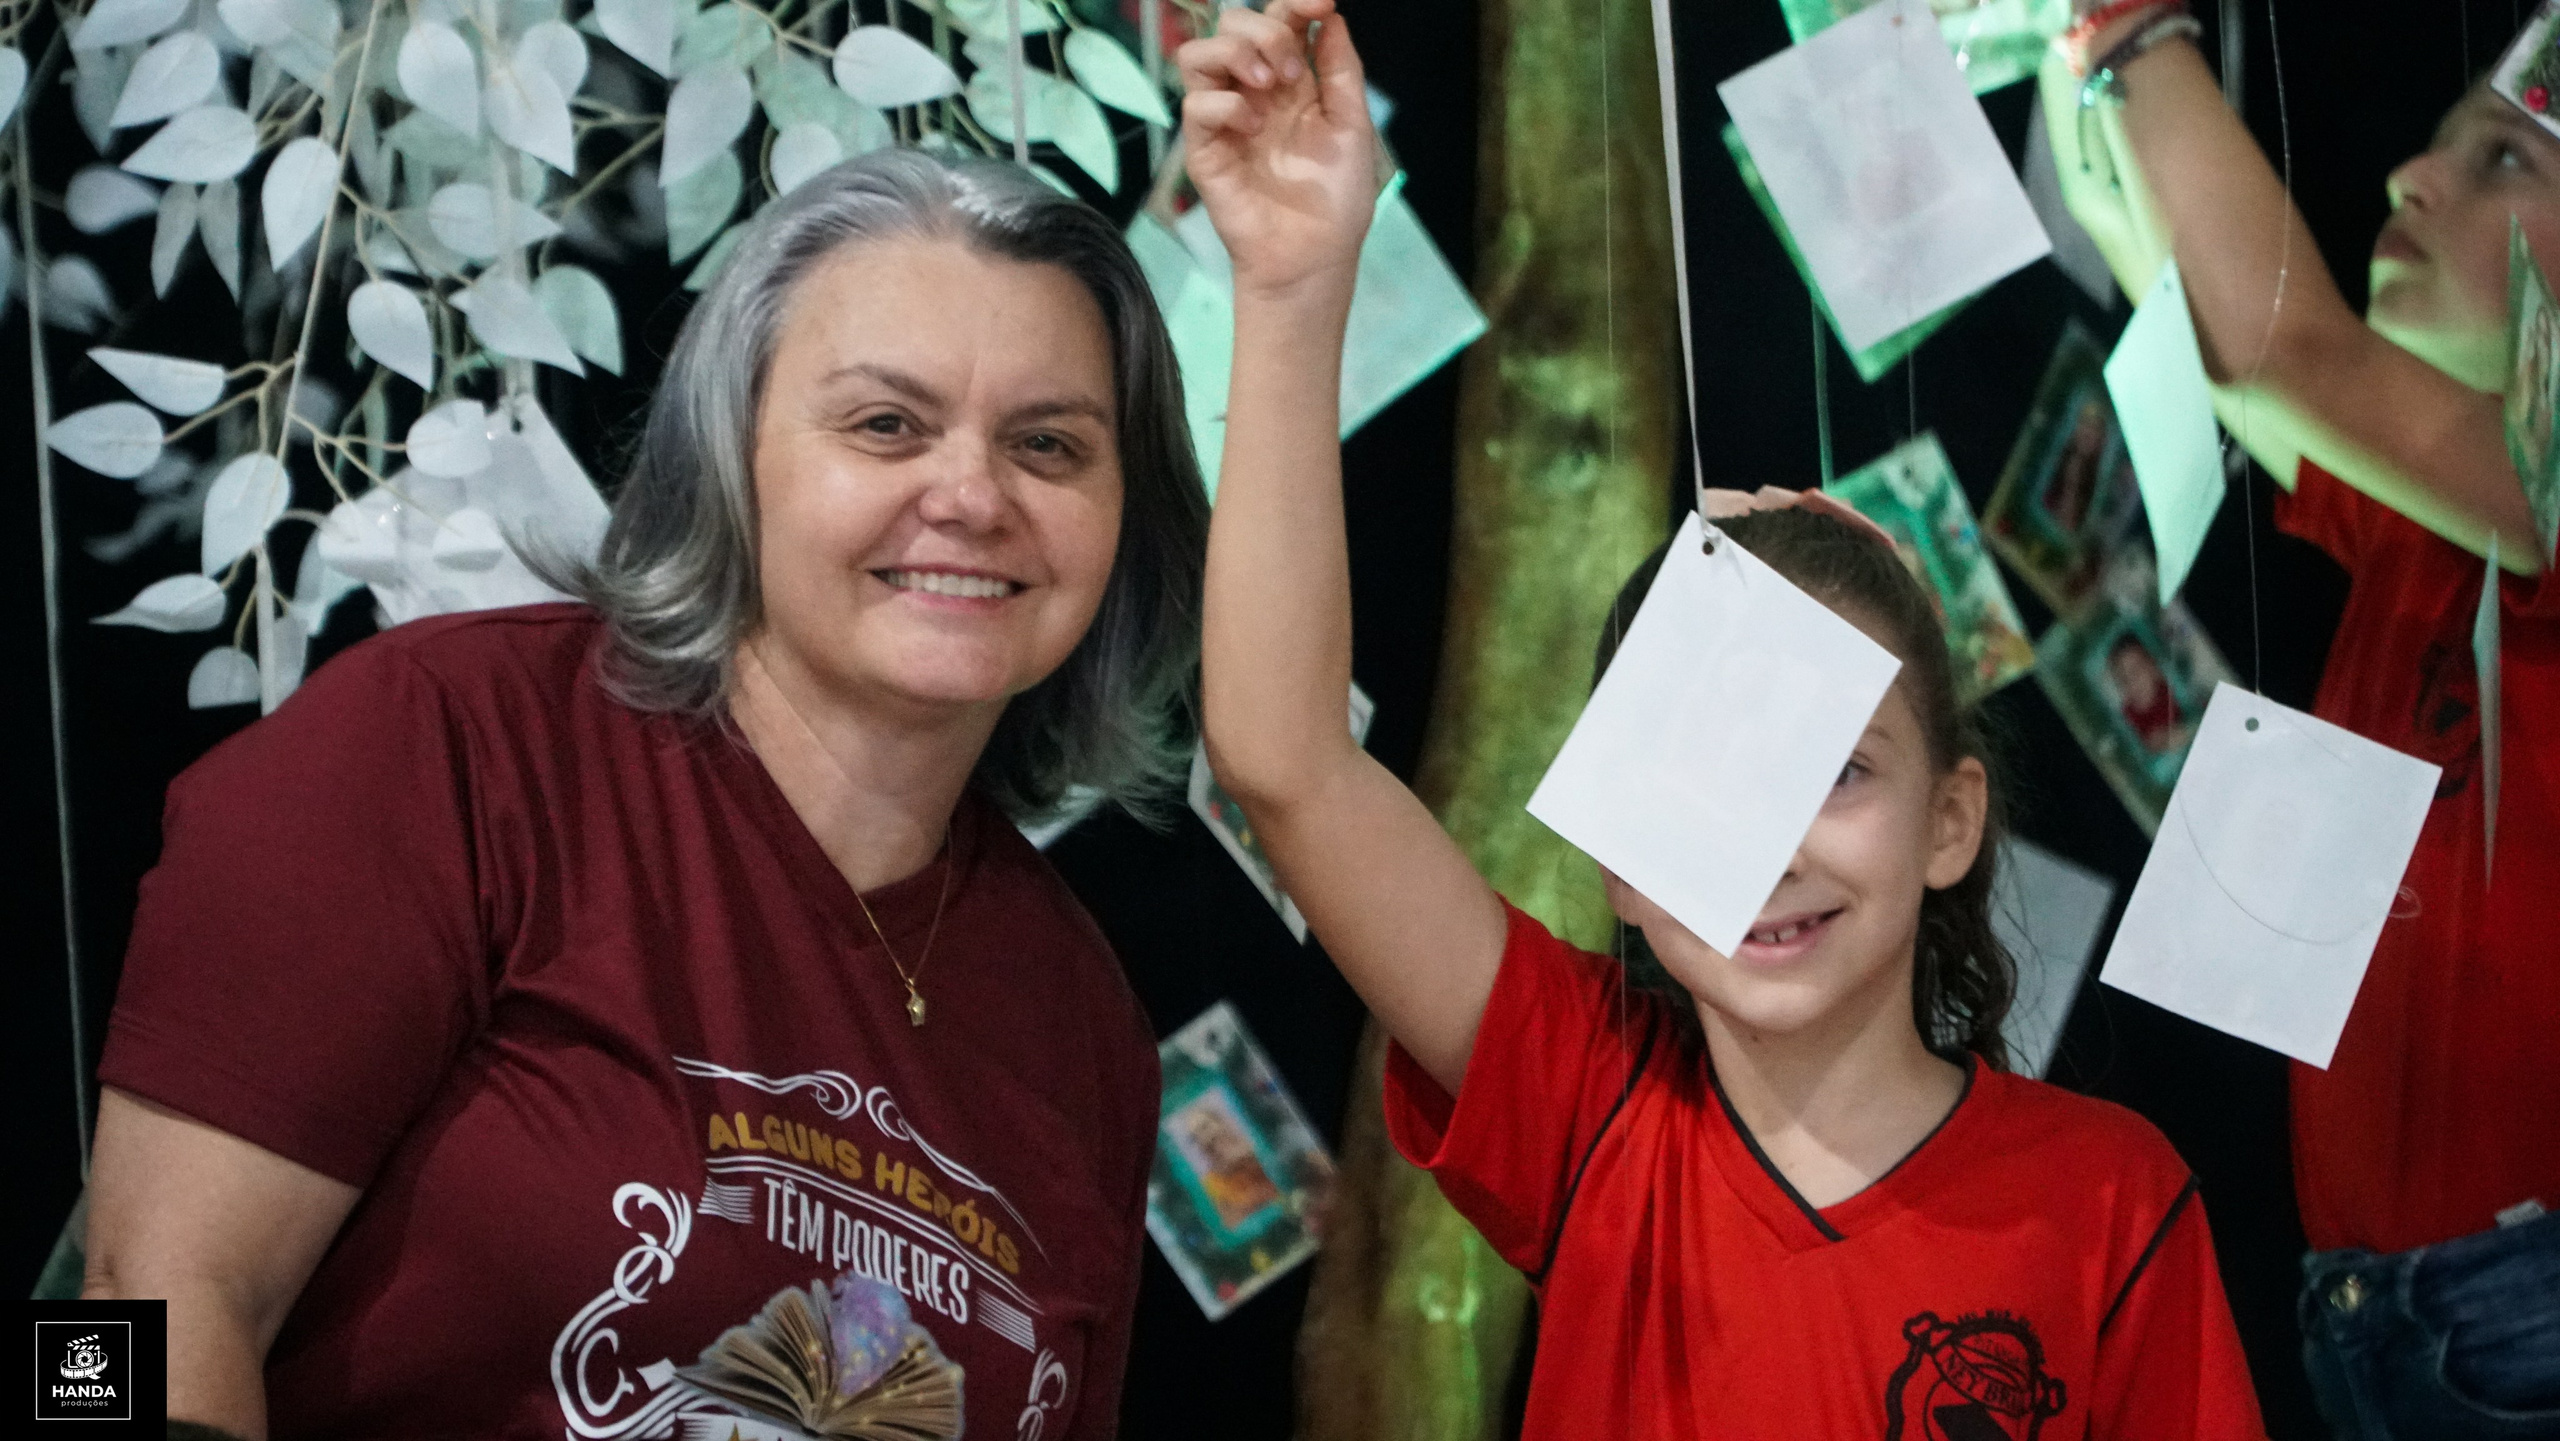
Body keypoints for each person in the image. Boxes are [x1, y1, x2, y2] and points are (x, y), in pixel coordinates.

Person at [1178, 3, 2266, 1433]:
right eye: (1711, 776)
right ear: (1620, 854)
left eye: (1840, 768)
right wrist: (1289, 283)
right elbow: (1285, 760)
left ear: (1953, 818)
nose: (1772, 846)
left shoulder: (2114, 1196)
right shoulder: (1582, 1100)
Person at [80, 150, 1206, 1440]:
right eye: (885, 425)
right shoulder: (444, 746)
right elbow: (113, 1316)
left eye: (1049, 445)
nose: (972, 497)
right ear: (730, 452)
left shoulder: (1088, 1033)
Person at [2045, 5, 2560, 1434]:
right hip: (2370, 1313)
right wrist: (2084, 88)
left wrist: (2137, 32)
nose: (2410, 175)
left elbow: (2286, 352)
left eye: (2504, 161)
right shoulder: (2424, 532)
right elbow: (2210, 332)